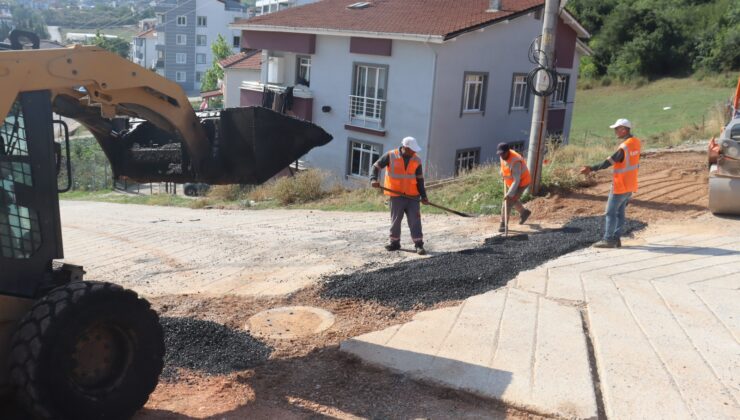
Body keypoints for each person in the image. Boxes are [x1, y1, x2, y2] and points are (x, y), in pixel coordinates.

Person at [579, 118, 641, 248]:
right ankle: (616, 239)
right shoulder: (636, 142)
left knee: (610, 212)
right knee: (620, 212)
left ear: (624, 129)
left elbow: (609, 162)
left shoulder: (624, 146)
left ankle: (608, 239)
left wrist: (591, 168)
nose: (615, 132)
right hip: (630, 184)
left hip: (620, 185)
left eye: (617, 129)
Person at [370, 136, 429, 255]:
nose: (414, 152)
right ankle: (395, 243)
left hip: (413, 196)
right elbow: (376, 166)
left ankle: (419, 245)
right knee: (396, 220)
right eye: (412, 150)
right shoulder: (391, 155)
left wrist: (423, 196)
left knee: (415, 220)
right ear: (405, 148)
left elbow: (420, 180)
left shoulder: (416, 160)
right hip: (396, 195)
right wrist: (373, 179)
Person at [497, 143, 532, 233]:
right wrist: (502, 174)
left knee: (508, 201)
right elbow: (504, 166)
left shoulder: (515, 161)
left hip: (521, 182)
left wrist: (509, 194)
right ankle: (524, 213)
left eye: (503, 154)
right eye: (499, 154)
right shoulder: (502, 155)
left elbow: (517, 180)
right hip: (511, 181)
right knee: (513, 199)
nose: (501, 155)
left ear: (508, 152)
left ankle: (503, 224)